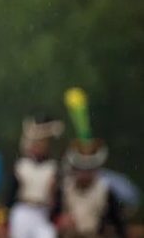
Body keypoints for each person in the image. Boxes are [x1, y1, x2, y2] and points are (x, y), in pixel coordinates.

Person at [52, 88, 127, 237]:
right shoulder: (64, 189)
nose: (85, 173)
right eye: (81, 169)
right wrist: (60, 221)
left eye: (89, 169)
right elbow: (51, 217)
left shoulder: (105, 191)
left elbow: (119, 225)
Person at [6, 115, 64, 238]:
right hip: (23, 209)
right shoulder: (21, 165)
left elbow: (58, 198)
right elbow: (11, 192)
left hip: (43, 212)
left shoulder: (53, 167)